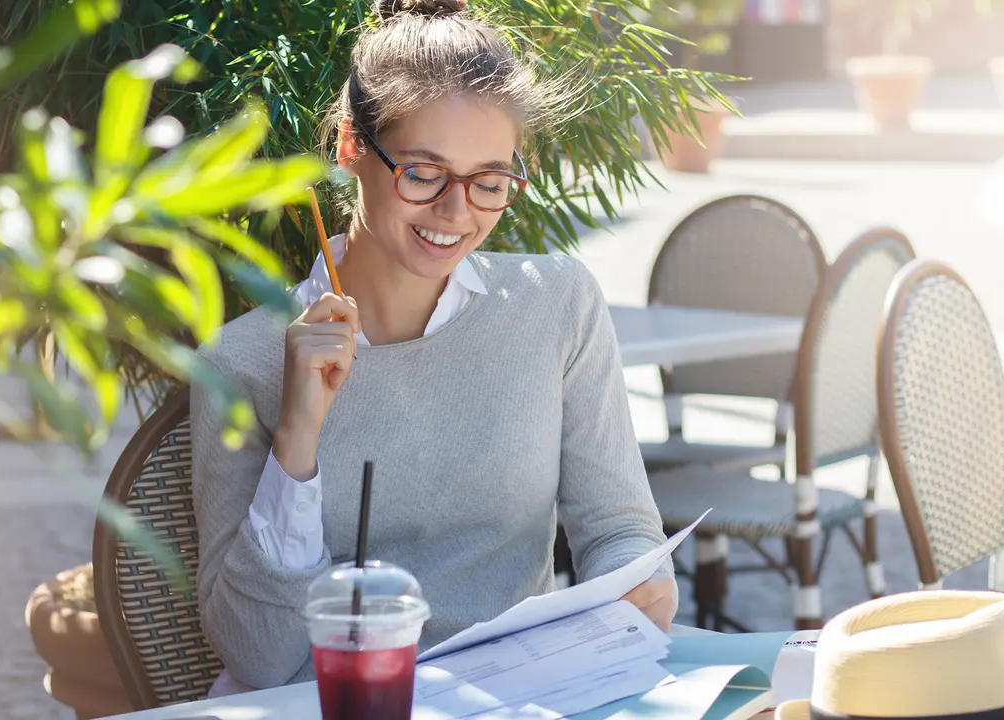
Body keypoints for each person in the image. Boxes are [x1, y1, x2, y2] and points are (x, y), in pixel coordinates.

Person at [190, 0, 677, 694]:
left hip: (521, 700)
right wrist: (297, 437)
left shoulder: (556, 302)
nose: (457, 213)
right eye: (423, 173)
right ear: (351, 148)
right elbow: (259, 658)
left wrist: (640, 584)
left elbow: (618, 528)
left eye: (489, 182)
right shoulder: (239, 364)